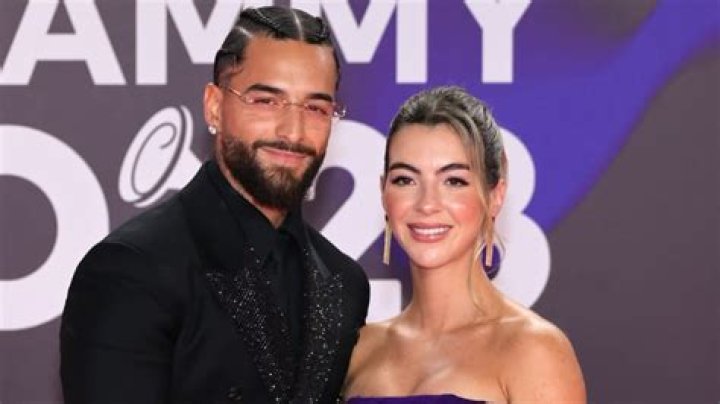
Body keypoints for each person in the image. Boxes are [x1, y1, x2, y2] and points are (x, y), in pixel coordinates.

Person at [60, 6, 369, 403]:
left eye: (315, 108)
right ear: (214, 106)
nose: (293, 132)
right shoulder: (132, 269)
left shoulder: (344, 283)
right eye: (266, 101)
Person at [343, 87, 585, 403]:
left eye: (454, 181)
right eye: (405, 179)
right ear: (383, 192)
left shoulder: (534, 351)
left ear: (495, 195)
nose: (427, 204)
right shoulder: (360, 350)